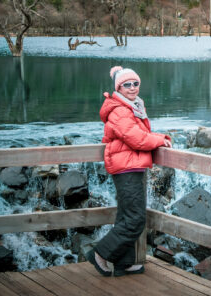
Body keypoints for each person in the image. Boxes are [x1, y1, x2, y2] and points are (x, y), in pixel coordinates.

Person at [86, 65, 171, 277]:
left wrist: (157, 137)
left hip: (130, 164)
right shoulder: (120, 109)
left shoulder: (131, 106)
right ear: (119, 87)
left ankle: (123, 262)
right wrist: (161, 139)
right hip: (126, 167)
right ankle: (101, 254)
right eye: (127, 84)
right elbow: (137, 138)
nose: (132, 88)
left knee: (126, 216)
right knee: (135, 219)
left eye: (136, 83)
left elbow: (138, 134)